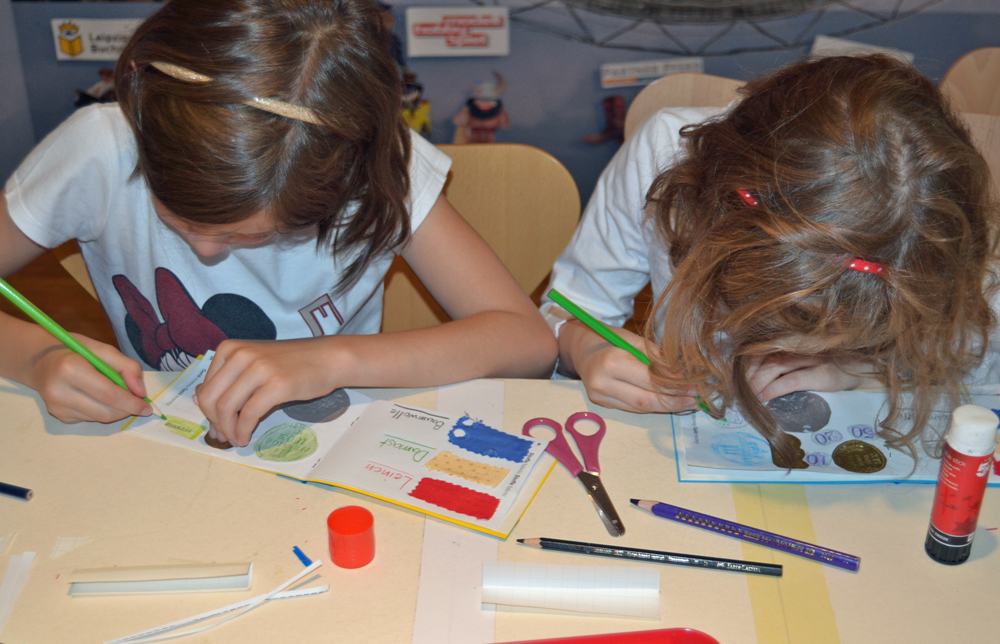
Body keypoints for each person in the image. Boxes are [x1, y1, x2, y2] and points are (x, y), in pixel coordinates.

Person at [0, 0, 556, 448]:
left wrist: (333, 359)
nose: (207, 250)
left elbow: (526, 342)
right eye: (179, 217)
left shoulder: (375, 169)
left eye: (252, 234)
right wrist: (33, 356)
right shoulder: (99, 150)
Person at [541, 55, 1000, 466]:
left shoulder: (932, 231)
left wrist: (867, 370)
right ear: (708, 206)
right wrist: (583, 347)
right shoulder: (660, 153)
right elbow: (567, 310)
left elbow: (982, 372)